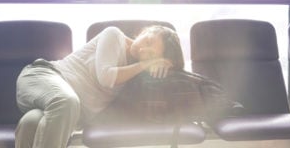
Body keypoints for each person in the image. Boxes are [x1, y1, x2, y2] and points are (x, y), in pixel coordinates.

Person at [15, 25, 185, 148]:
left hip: (64, 111)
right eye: (147, 41)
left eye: (150, 54)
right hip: (42, 77)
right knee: (66, 101)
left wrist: (163, 67)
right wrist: (145, 64)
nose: (143, 50)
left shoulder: (137, 75)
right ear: (143, 31)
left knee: (31, 123)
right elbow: (106, 76)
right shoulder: (114, 35)